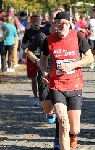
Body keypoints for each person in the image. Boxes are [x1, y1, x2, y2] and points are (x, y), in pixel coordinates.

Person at [40, 12, 94, 150]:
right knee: (63, 122)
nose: (62, 26)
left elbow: (89, 58)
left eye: (65, 23)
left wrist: (71, 65)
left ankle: (73, 137)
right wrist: (44, 72)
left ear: (70, 23)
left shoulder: (77, 36)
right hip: (56, 85)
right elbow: (43, 58)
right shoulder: (48, 40)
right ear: (55, 24)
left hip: (75, 84)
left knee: (75, 129)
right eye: (59, 23)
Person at [27, 9, 61, 150]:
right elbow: (28, 51)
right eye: (55, 18)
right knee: (47, 107)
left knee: (61, 109)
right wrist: (36, 61)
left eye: (60, 18)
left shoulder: (70, 35)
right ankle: (49, 111)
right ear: (50, 20)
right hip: (45, 73)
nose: (57, 21)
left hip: (63, 76)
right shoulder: (42, 35)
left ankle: (58, 139)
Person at [21, 14, 45, 106]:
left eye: (37, 22)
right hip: (31, 58)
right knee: (34, 79)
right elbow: (22, 45)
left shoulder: (44, 30)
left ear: (40, 22)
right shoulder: (28, 32)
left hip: (43, 58)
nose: (35, 24)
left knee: (43, 78)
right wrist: (26, 46)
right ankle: (36, 97)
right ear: (31, 23)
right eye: (33, 22)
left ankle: (44, 96)